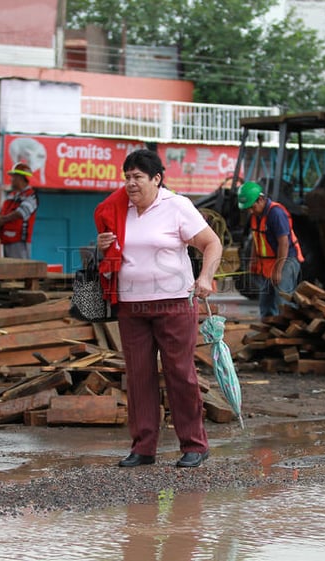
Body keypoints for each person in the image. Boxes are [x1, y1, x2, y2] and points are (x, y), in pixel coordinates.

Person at [94, 149, 222, 468]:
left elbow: (212, 243)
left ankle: (194, 444)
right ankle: (144, 447)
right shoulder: (119, 208)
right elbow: (116, 250)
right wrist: (102, 247)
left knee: (180, 373)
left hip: (174, 303)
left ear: (156, 178)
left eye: (138, 177)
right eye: (127, 177)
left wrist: (205, 276)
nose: (131, 184)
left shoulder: (176, 206)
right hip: (131, 305)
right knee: (139, 377)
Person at [236, 181, 304, 318]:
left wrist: (278, 270)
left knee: (282, 298)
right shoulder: (256, 215)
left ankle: (287, 331)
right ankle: (267, 329)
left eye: (251, 207)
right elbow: (257, 238)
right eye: (247, 208)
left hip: (286, 260)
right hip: (269, 262)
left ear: (260, 199)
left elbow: (283, 244)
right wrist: (253, 260)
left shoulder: (276, 214)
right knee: (265, 299)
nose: (250, 211)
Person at [0, 162, 39, 259]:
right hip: (6, 240)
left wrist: (3, 220)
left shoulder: (31, 196)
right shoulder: (11, 195)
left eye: (13, 177)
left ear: (20, 178)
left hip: (19, 242)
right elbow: (2, 210)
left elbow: (21, 213)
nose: (11, 179)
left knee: (20, 271)